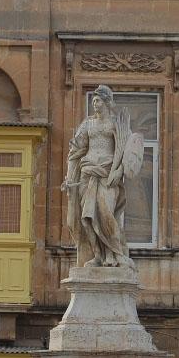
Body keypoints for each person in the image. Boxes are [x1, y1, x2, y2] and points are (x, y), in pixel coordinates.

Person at [62, 85, 144, 268]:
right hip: (87, 173)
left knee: (106, 213)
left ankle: (115, 253)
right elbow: (74, 152)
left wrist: (119, 172)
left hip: (108, 174)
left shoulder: (117, 124)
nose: (94, 103)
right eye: (93, 101)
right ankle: (98, 255)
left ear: (107, 102)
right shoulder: (87, 124)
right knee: (87, 217)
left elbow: (130, 152)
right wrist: (69, 178)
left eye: (98, 100)